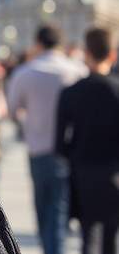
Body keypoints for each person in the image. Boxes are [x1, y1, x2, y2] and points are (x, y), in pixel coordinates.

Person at [7, 24, 88, 254]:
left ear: (38, 43)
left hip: (37, 147)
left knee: (42, 211)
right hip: (67, 149)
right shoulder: (76, 70)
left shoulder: (25, 72)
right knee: (59, 212)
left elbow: (13, 109)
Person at [56, 27, 119, 254]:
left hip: (83, 173)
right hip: (114, 173)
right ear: (112, 54)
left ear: (86, 53)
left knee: (88, 238)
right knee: (112, 238)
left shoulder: (71, 92)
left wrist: (77, 154)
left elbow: (59, 144)